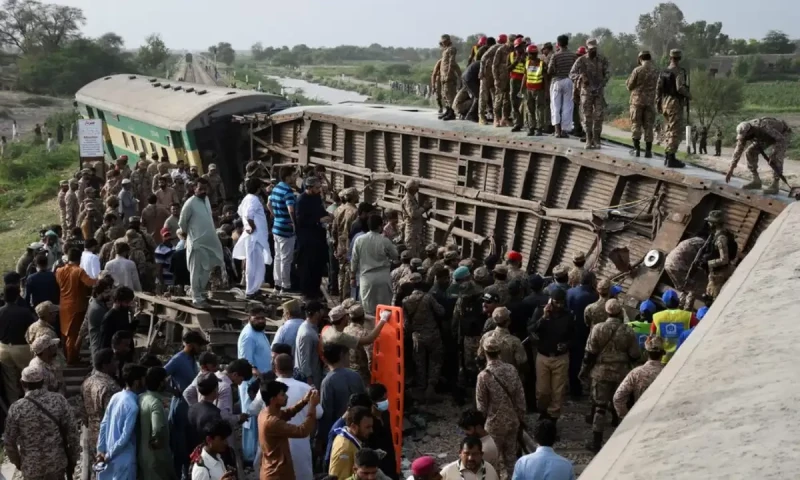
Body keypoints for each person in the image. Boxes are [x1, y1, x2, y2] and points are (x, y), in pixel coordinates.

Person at [579, 299, 640, 453]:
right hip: (621, 373)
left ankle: (596, 442)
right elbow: (635, 355)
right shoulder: (627, 331)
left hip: (601, 372)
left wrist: (584, 371)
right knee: (620, 403)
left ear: (607, 312)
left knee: (600, 406)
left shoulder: (598, 329)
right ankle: (622, 437)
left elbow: (589, 354)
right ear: (620, 312)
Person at [4, 365, 80, 480]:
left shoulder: (16, 408)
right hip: (56, 464)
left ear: (22, 383)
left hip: (31, 467)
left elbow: (9, 441)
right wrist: (73, 458)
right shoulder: (59, 400)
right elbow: (73, 433)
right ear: (43, 381)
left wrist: (18, 462)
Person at [476, 336, 526, 479]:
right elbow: (520, 398)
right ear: (500, 351)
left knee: (493, 461)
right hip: (512, 421)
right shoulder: (511, 369)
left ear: (485, 352)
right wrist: (521, 418)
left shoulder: (483, 376)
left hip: (493, 425)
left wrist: (479, 428)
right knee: (511, 458)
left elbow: (481, 406)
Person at [258, 379, 320, 479]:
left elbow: (287, 413)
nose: (286, 397)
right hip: (277, 474)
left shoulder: (265, 413)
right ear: (273, 399)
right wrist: (312, 406)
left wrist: (304, 401)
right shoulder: (271, 422)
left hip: (273, 470)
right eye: (282, 395)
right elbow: (302, 431)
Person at [96, 363, 148, 480]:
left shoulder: (116, 397)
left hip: (109, 458)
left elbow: (103, 424)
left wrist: (101, 450)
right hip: (124, 460)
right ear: (136, 382)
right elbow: (125, 437)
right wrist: (108, 455)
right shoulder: (132, 406)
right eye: (144, 380)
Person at [179, 178, 224, 307]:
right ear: (194, 188)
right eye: (200, 189)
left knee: (207, 269)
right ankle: (196, 297)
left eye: (205, 189)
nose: (203, 191)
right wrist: (191, 235)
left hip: (209, 243)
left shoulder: (206, 200)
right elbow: (182, 223)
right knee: (196, 271)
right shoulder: (190, 203)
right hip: (197, 243)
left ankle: (202, 294)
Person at [238, 305, 273, 463]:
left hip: (263, 382)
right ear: (249, 318)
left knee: (259, 418)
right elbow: (247, 363)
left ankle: (256, 455)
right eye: (257, 318)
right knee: (250, 419)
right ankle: (249, 456)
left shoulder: (259, 332)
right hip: (252, 384)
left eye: (262, 318)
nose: (260, 321)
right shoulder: (248, 336)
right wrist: (259, 376)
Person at [404, 273, 446, 399]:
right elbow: (441, 311)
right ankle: (431, 387)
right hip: (433, 334)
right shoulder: (428, 297)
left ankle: (421, 389)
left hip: (417, 337)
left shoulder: (405, 301)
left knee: (419, 363)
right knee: (436, 360)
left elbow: (406, 324)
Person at [725, 117, 793, 194]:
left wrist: (774, 153)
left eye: (746, 135)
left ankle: (775, 185)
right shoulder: (746, 133)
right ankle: (756, 181)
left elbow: (780, 139)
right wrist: (731, 169)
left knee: (775, 157)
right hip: (765, 137)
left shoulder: (763, 126)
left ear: (751, 131)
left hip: (782, 134)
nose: (746, 138)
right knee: (750, 152)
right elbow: (738, 150)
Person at [82, 348, 121, 480]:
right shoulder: (110, 387)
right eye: (113, 361)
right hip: (107, 436)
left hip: (93, 432)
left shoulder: (87, 381)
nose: (116, 363)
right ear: (105, 365)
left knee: (96, 470)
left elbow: (83, 410)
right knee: (109, 471)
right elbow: (115, 416)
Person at [319, 343, 367, 448]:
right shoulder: (355, 376)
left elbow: (326, 413)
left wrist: (323, 439)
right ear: (342, 356)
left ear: (325, 359)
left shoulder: (328, 381)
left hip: (339, 433)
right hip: (359, 429)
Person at [351, 214, 399, 316]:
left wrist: (352, 277)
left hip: (366, 280)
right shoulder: (385, 241)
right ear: (379, 227)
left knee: (367, 312)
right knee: (385, 313)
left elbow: (354, 260)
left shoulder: (359, 240)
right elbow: (395, 256)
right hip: (383, 279)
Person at [56, 248, 97, 364]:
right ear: (80, 259)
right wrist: (101, 277)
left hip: (63, 305)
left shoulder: (59, 271)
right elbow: (90, 283)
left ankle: (68, 356)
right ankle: (72, 359)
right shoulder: (79, 271)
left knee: (65, 333)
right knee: (73, 335)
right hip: (77, 306)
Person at [235, 177, 272, 299]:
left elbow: (240, 211)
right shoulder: (254, 200)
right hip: (255, 236)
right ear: (258, 188)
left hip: (254, 236)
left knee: (255, 264)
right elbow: (248, 214)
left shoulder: (247, 198)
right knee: (255, 265)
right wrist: (251, 225)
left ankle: (254, 289)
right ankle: (251, 291)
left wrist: (247, 224)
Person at [295, 176, 332, 299]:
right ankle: (307, 292)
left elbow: (320, 211)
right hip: (307, 239)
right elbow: (300, 221)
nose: (318, 190)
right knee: (307, 267)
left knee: (318, 265)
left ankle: (316, 290)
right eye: (316, 188)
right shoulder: (301, 200)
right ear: (309, 188)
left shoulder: (316, 198)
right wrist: (318, 220)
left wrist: (328, 215)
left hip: (318, 238)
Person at [569, 38, 609, 149]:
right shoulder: (581, 60)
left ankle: (597, 139)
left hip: (598, 91)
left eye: (594, 49)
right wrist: (580, 77)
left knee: (599, 116)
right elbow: (571, 74)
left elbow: (608, 73)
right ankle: (588, 139)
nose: (593, 51)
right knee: (587, 117)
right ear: (587, 48)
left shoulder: (602, 60)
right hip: (586, 92)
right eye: (591, 49)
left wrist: (602, 83)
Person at [613, 335, 665, 419]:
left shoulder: (635, 373)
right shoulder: (668, 372)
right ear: (663, 354)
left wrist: (626, 419)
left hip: (641, 417)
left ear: (645, 353)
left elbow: (618, 398)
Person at [138, 366, 177, 480]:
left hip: (143, 454)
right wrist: (158, 441)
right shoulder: (155, 403)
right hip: (157, 458)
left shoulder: (141, 397)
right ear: (160, 383)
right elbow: (158, 429)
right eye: (165, 380)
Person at [0, 284, 36, 403]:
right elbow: (32, 330)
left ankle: (14, 406)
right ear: (17, 296)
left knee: (10, 381)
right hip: (22, 348)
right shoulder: (24, 312)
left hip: (3, 348)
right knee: (27, 377)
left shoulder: (0, 311)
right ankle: (29, 403)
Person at [566, 271, 599, 398]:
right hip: (587, 333)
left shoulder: (570, 292)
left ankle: (574, 390)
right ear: (592, 281)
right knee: (588, 360)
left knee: (574, 361)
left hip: (572, 331)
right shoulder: (593, 296)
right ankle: (588, 388)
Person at [656, 49, 690, 168]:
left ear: (670, 57)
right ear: (679, 58)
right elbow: (680, 87)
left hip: (665, 102)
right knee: (675, 130)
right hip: (675, 103)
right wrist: (689, 95)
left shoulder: (664, 71)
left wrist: (658, 104)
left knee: (667, 129)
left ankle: (667, 155)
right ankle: (671, 157)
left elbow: (658, 89)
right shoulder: (679, 71)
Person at [268, 166, 297, 292]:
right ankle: (285, 285)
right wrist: (295, 223)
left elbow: (268, 204)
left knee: (278, 257)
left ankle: (277, 284)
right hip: (286, 230)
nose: (295, 177)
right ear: (288, 176)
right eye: (294, 175)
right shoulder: (288, 191)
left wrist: (276, 216)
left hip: (276, 227)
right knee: (286, 258)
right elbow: (291, 209)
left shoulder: (276, 188)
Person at [626, 50, 659, 158]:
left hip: (637, 102)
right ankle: (648, 151)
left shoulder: (637, 70)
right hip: (650, 102)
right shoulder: (655, 71)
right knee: (648, 127)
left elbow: (630, 86)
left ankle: (636, 150)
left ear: (640, 59)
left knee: (636, 125)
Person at [328, 405, 375, 479]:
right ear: (353, 427)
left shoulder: (349, 441)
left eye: (371, 427)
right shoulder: (344, 449)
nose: (371, 431)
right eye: (367, 427)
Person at [650, 289, 696, 364]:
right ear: (678, 301)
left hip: (664, 359)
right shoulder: (689, 316)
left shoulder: (656, 317)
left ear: (664, 303)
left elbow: (651, 337)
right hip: (684, 356)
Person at [188, 372, 223, 453]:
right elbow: (217, 442)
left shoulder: (192, 408)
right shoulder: (214, 414)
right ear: (215, 390)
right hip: (208, 456)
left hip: (193, 454)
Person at [295, 300, 325, 388]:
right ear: (316, 313)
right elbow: (304, 360)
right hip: (310, 379)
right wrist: (310, 382)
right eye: (321, 311)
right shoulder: (307, 333)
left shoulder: (309, 328)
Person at [400, 180, 431, 258]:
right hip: (411, 230)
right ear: (411, 189)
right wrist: (424, 208)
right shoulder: (408, 200)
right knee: (411, 253)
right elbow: (413, 214)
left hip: (415, 230)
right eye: (415, 187)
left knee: (417, 252)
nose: (417, 189)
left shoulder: (412, 198)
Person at [438, 34, 458, 121]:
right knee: (445, 94)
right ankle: (448, 110)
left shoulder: (451, 49)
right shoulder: (445, 50)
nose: (443, 43)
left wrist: (449, 74)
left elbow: (451, 62)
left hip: (448, 75)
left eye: (444, 42)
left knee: (450, 94)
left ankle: (452, 113)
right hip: (443, 75)